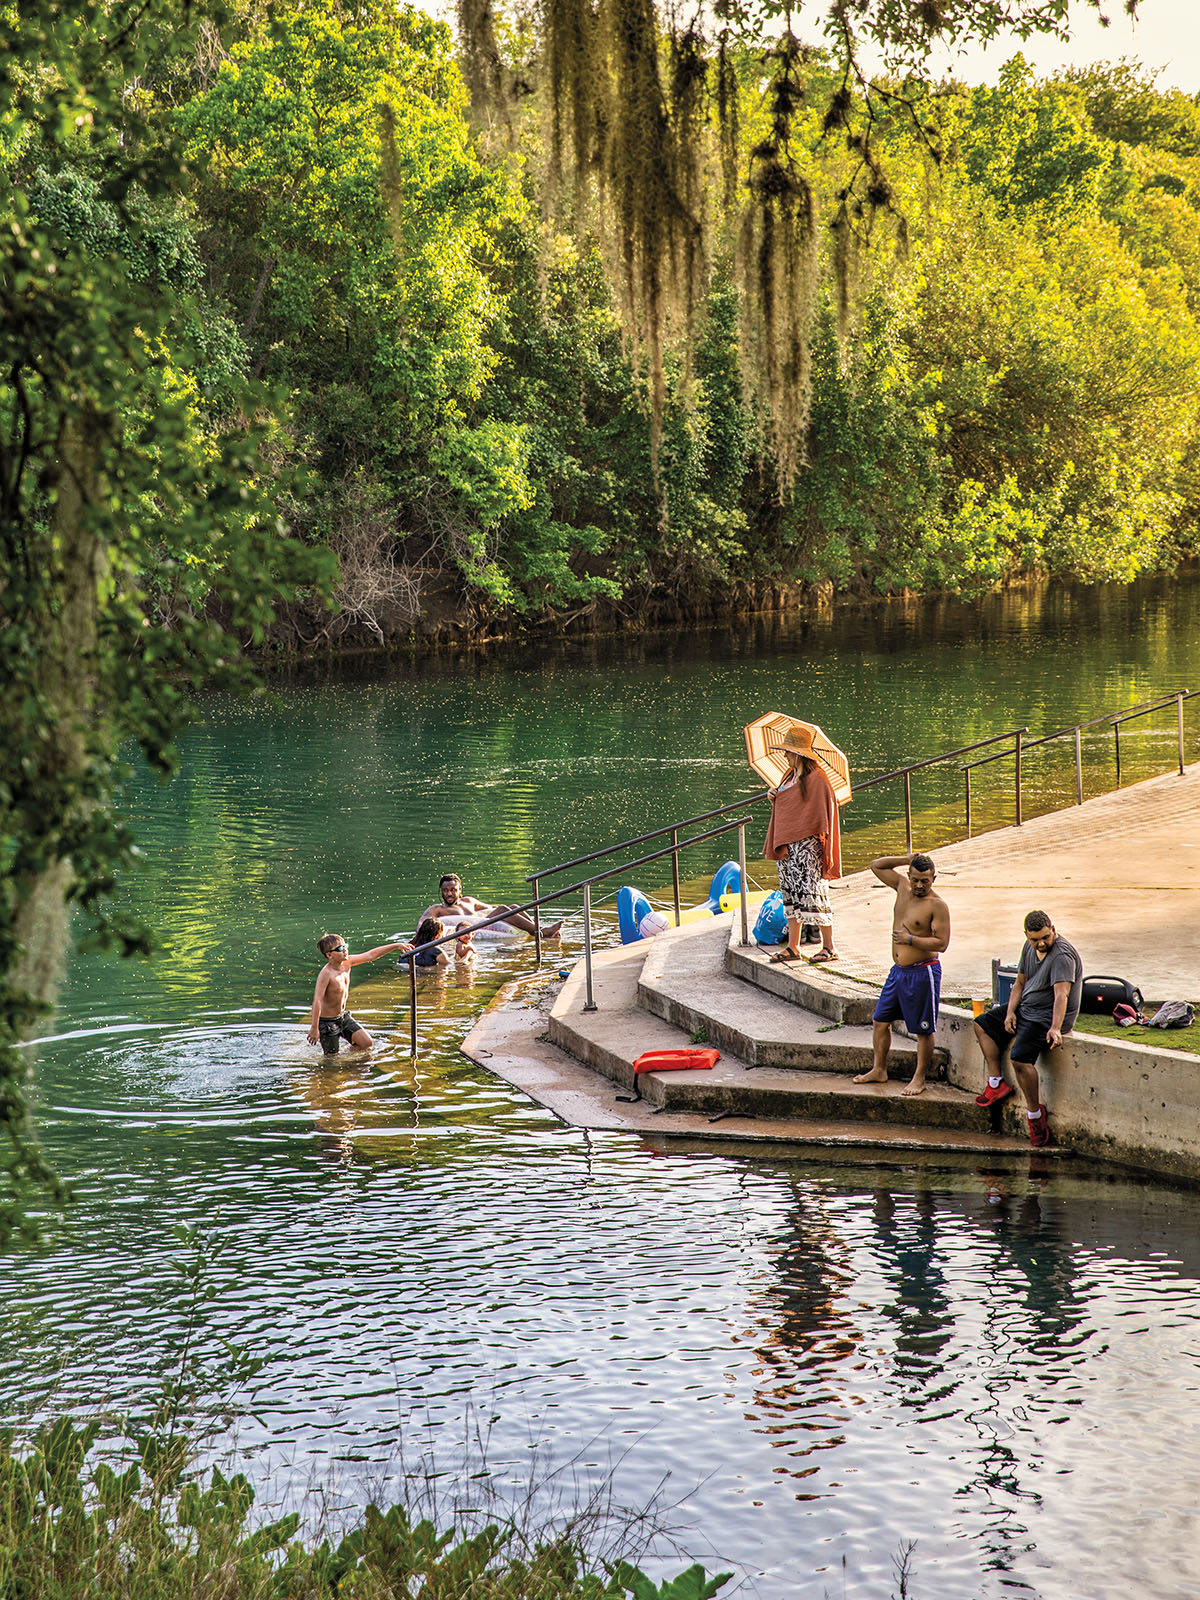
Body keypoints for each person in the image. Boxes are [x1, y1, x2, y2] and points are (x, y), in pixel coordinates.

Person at [973, 910, 1082, 1147]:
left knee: (1020, 1058)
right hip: (1026, 1009)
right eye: (1035, 939)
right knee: (982, 1025)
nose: (1041, 943)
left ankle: (1035, 1115)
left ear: (1053, 929)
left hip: (1046, 1016)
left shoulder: (1062, 956)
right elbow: (1020, 983)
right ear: (1027, 936)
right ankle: (995, 1084)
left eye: (1045, 937)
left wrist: (1056, 1028)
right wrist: (1010, 1011)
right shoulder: (1029, 947)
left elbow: (1061, 995)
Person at [854, 853, 951, 1097]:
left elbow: (942, 943)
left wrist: (910, 939)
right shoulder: (901, 887)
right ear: (909, 876)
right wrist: (907, 857)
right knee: (880, 1020)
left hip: (922, 972)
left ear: (934, 879)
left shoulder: (937, 905)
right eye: (916, 879)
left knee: (923, 1029)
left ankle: (919, 1078)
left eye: (925, 881)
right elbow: (875, 865)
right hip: (898, 972)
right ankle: (879, 1069)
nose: (919, 886)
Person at [762, 725, 842, 964]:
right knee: (790, 894)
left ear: (798, 753)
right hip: (788, 846)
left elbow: (823, 810)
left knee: (814, 894)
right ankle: (793, 947)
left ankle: (829, 947)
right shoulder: (788, 775)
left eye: (788, 751)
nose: (785, 755)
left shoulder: (817, 778)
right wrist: (773, 795)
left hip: (808, 848)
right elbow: (789, 803)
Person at [308, 932, 411, 1056]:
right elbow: (317, 1000)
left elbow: (371, 955)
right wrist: (314, 1028)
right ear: (329, 955)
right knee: (331, 1060)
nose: (345, 950)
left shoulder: (348, 962)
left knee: (366, 1043)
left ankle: (345, 1057)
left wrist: (396, 945)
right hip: (328, 1022)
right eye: (340, 949)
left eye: (345, 946)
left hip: (343, 1017)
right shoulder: (326, 974)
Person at [418, 873, 563, 941]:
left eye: (453, 890)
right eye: (446, 890)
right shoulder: (438, 909)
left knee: (513, 906)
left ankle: (538, 931)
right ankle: (542, 932)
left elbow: (491, 908)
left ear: (460, 890)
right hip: (473, 929)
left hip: (485, 924)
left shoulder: (469, 901)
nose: (449, 893)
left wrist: (509, 911)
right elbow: (422, 923)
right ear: (441, 891)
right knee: (503, 909)